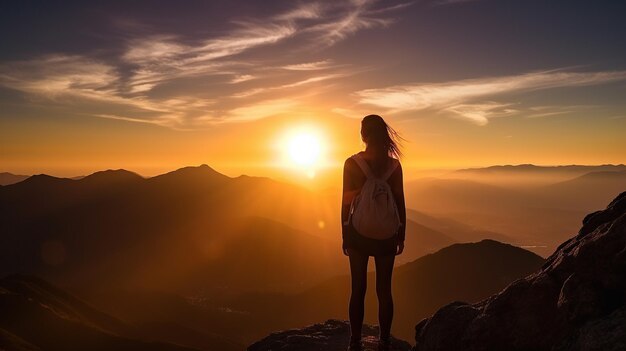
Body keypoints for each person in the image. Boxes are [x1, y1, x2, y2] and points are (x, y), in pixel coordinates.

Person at [341, 114, 406, 351]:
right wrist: (401, 234)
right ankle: (385, 341)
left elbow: (346, 203)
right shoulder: (394, 166)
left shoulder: (352, 164)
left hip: (359, 233)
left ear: (364, 135)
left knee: (358, 288)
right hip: (387, 235)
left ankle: (355, 341)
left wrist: (345, 235)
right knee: (384, 290)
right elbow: (400, 202)